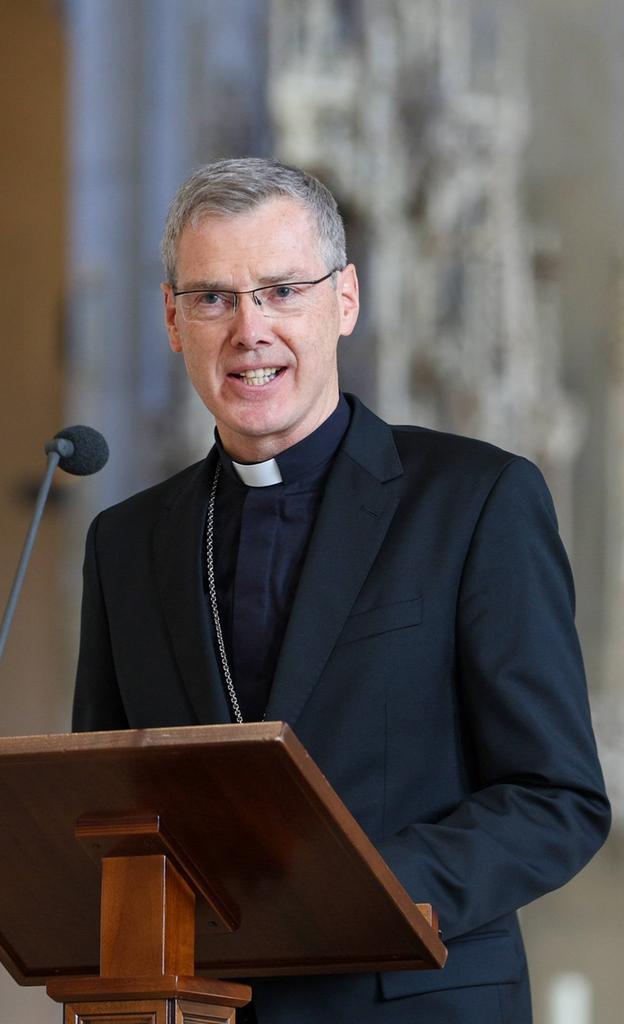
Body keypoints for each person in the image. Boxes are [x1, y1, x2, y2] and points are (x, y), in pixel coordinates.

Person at [72, 158, 610, 1023]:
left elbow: (558, 799)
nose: (250, 329)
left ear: (345, 301)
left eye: (283, 290)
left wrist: (366, 890)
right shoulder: (127, 544)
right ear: (173, 320)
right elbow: (112, 813)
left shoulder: (474, 501)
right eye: (214, 298)